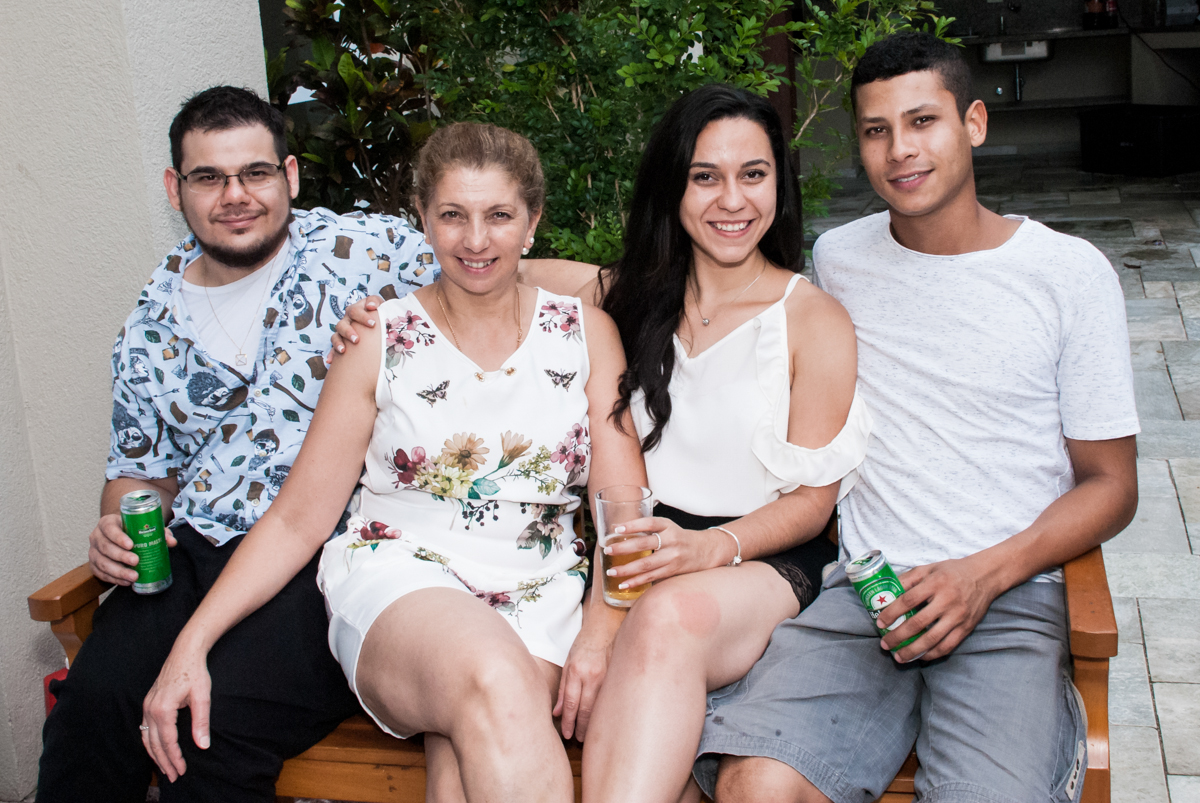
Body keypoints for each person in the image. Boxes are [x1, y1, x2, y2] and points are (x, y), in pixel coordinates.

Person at [39, 86, 586, 802]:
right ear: (176, 189)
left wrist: (663, 289)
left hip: (315, 550)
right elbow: (139, 473)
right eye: (209, 177)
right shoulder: (148, 322)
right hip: (193, 548)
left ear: (290, 175)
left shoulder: (360, 251)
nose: (236, 195)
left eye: (255, 173)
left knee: (215, 724)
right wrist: (118, 522)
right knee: (91, 708)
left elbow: (483, 260)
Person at [334, 85, 870, 802]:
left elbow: (813, 503)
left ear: (780, 183)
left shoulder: (813, 318)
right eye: (704, 176)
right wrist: (367, 314)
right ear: (672, 188)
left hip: (756, 556)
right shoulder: (621, 293)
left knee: (665, 616)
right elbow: (482, 266)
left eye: (753, 174)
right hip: (638, 549)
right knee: (467, 727)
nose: (730, 199)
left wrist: (711, 548)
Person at [696, 34, 1139, 803]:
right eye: (876, 130)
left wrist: (982, 575)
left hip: (1007, 594)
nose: (901, 150)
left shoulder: (1068, 275)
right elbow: (702, 288)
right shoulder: (840, 258)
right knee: (755, 785)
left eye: (923, 121)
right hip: (864, 592)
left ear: (973, 122)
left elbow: (1113, 485)